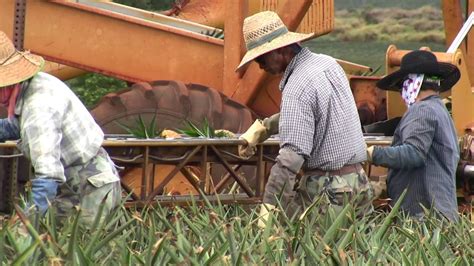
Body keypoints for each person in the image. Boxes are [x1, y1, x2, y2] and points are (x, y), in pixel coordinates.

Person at [236, 11, 373, 223]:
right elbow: (314, 112)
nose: (259, 65)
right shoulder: (328, 64)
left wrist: (270, 205)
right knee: (358, 254)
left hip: (330, 192)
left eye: (261, 58)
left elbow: (292, 155)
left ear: (280, 50)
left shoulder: (297, 86)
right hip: (359, 182)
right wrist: (266, 127)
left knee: (314, 254)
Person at [0, 31, 121, 224]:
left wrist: (27, 227)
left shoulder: (38, 108)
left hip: (87, 187)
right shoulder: (34, 83)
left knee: (78, 250)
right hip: (75, 178)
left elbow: (49, 175)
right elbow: (18, 127)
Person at [367, 50, 460, 221]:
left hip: (424, 216)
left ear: (412, 84)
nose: (402, 94)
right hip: (440, 213)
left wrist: (372, 154)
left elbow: (414, 153)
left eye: (403, 85)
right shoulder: (440, 110)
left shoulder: (422, 110)